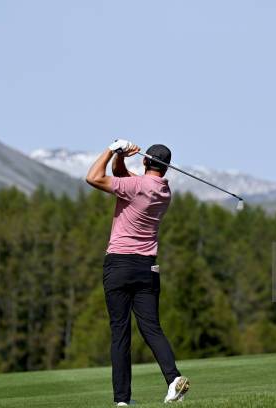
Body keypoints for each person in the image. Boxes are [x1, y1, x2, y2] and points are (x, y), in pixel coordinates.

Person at [86, 139, 190, 405]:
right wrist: (121, 157)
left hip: (120, 264)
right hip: (147, 268)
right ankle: (173, 378)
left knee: (120, 332)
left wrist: (111, 149)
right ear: (165, 169)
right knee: (152, 328)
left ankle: (122, 399)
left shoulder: (135, 186)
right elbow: (125, 179)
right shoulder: (163, 191)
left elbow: (93, 177)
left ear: (145, 161)